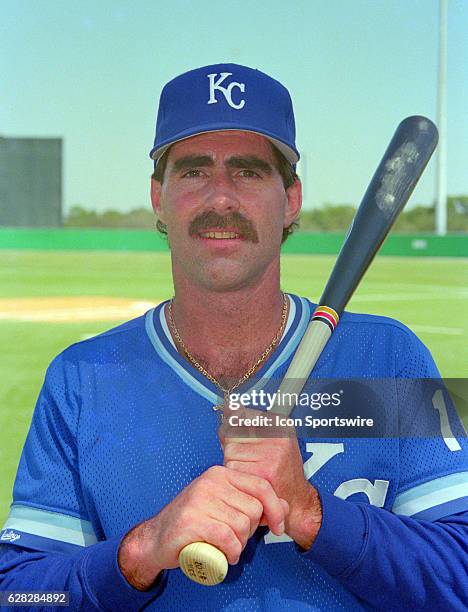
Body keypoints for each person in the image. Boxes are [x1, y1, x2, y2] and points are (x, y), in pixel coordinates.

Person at [0, 63, 467, 611]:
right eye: (195, 171)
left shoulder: (389, 360)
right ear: (158, 196)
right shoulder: (83, 379)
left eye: (247, 172)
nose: (221, 198)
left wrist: (313, 514)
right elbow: (22, 593)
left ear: (290, 198)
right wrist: (140, 552)